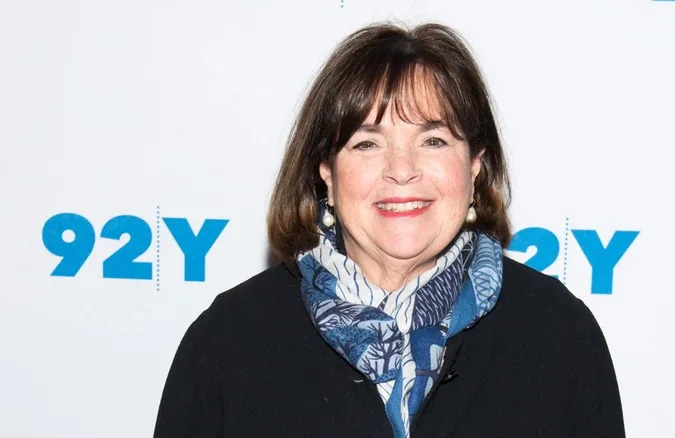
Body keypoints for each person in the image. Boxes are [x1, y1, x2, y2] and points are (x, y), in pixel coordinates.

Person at [153, 22, 625, 437]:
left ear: (475, 165)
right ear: (326, 172)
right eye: (367, 143)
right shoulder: (230, 341)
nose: (401, 170)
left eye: (433, 140)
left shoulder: (559, 336)